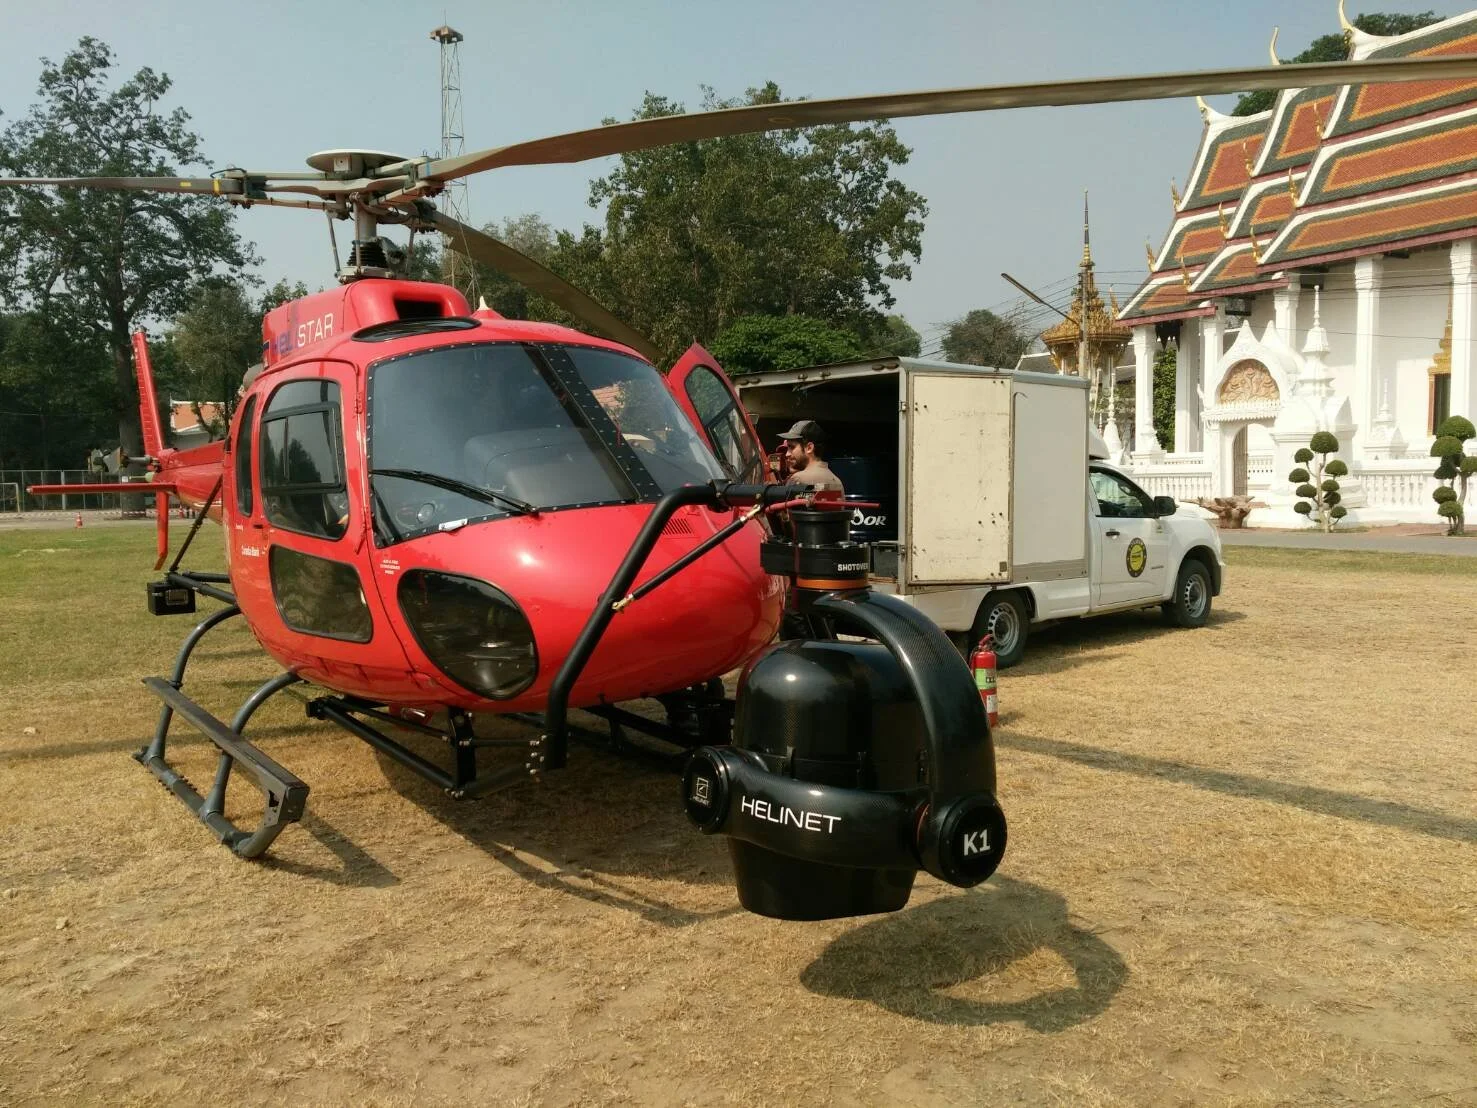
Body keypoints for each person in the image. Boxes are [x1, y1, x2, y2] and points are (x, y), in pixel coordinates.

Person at [776, 420, 845, 495]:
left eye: (792, 447)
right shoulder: (837, 482)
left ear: (809, 448)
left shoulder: (798, 479)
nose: (787, 454)